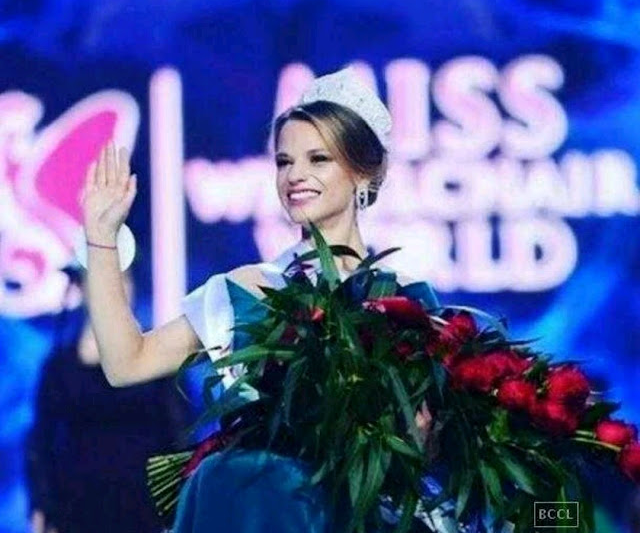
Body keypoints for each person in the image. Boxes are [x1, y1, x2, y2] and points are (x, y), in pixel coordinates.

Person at [80, 68, 457, 532]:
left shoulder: (406, 300)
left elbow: (434, 445)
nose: (295, 176)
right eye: (283, 162)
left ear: (364, 171)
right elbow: (126, 363)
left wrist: (422, 445)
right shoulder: (248, 289)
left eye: (318, 159)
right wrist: (101, 239)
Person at [25, 270, 188, 533]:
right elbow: (41, 441)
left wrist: (178, 504)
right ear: (85, 289)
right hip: (76, 505)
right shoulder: (60, 366)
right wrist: (41, 505)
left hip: (143, 505)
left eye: (124, 279)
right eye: (106, 278)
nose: (117, 289)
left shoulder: (159, 360)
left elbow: (178, 433)